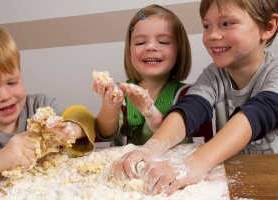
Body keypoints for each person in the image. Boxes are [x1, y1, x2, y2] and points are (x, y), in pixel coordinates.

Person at [112, 0, 278, 196]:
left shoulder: (274, 73)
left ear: (267, 27)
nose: (213, 35)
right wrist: (150, 149)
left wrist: (195, 163)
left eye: (226, 23)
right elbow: (190, 109)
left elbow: (257, 114)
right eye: (207, 26)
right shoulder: (214, 75)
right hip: (232, 173)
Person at [0, 24, 96, 188]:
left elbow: (83, 117)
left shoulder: (39, 107)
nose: (5, 96)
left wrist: (71, 129)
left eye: (11, 82)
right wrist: (1, 159)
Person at [92, 4, 196, 146]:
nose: (151, 47)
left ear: (179, 52)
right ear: (129, 53)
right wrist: (110, 105)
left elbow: (176, 138)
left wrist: (151, 114)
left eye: (163, 42)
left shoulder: (188, 95)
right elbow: (106, 134)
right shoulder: (120, 93)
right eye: (140, 42)